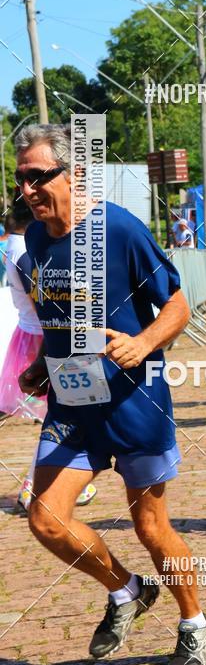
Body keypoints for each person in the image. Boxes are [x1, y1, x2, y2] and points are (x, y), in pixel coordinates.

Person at [15, 124, 206, 665]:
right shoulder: (34, 241)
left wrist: (146, 341)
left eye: (37, 177)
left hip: (134, 401)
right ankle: (126, 589)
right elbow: (60, 317)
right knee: (45, 519)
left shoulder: (119, 228)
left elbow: (179, 301)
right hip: (70, 403)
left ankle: (196, 625)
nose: (27, 191)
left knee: (150, 527)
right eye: (19, 180)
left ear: (73, 173)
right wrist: (40, 367)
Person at [0, 197, 98, 511]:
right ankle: (36, 485)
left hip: (32, 334)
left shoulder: (12, 247)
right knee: (70, 412)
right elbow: (45, 298)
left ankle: (68, 479)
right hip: (46, 338)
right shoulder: (26, 250)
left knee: (69, 413)